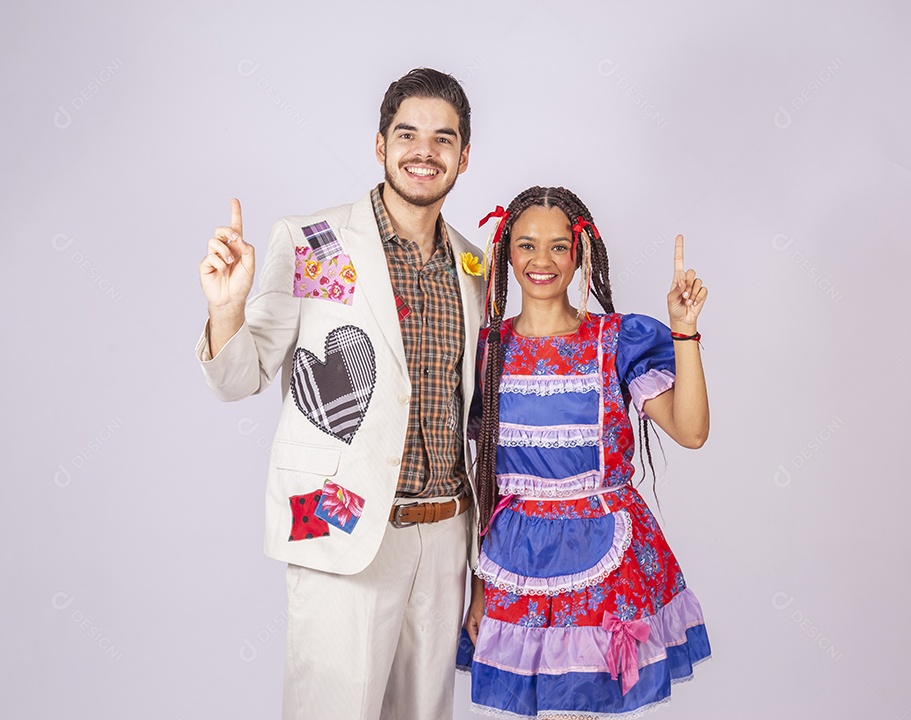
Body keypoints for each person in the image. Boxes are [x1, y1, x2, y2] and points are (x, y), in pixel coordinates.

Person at [195, 68, 485, 720]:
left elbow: (477, 418)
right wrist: (226, 311)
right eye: (407, 134)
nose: (424, 151)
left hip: (444, 542)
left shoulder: (475, 265)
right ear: (379, 144)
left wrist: (482, 563)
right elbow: (242, 376)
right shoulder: (317, 242)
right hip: (340, 525)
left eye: (444, 139)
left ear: (463, 157)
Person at [457, 186, 712, 718]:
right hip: (514, 563)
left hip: (608, 562)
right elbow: (484, 479)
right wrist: (479, 587)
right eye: (526, 245)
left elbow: (691, 431)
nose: (542, 261)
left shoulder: (616, 340)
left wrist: (684, 333)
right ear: (506, 253)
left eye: (558, 247)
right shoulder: (487, 348)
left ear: (580, 256)